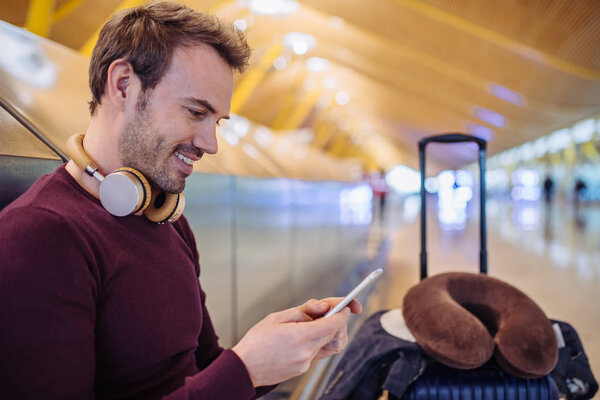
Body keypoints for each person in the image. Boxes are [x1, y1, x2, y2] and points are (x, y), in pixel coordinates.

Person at [0, 3, 361, 399]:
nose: (211, 143)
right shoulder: (39, 235)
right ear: (123, 84)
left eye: (217, 122)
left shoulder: (163, 217)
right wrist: (246, 369)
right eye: (195, 112)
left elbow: (203, 369)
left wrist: (279, 352)